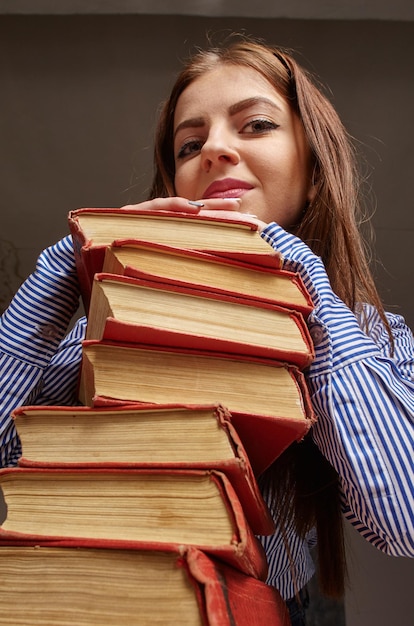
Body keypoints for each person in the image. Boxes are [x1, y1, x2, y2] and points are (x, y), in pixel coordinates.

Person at [0, 35, 413, 626]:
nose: (215, 149)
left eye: (256, 126)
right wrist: (65, 266)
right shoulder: (104, 337)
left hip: (287, 606)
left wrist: (304, 287)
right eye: (190, 143)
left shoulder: (377, 337)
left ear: (315, 168)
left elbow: (405, 518)